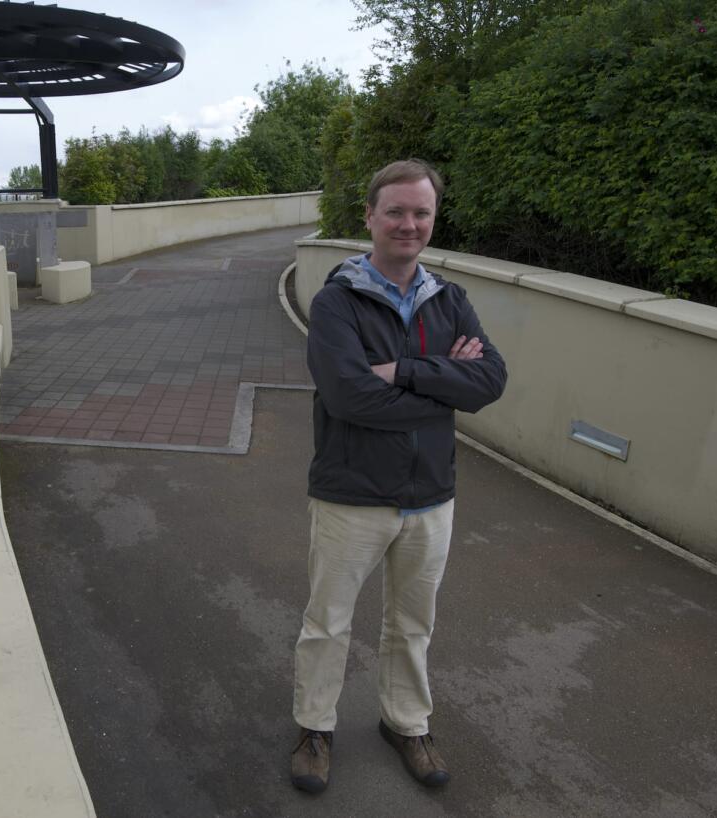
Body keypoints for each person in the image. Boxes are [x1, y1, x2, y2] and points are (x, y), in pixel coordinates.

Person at [290, 159, 507, 794]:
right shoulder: (338, 301)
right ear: (370, 216)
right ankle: (313, 729)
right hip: (351, 494)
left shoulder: (450, 298)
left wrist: (403, 370)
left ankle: (406, 723)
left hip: (430, 496)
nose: (409, 224)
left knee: (414, 623)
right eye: (396, 211)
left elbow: (490, 380)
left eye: (421, 213)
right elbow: (349, 397)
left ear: (433, 219)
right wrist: (444, 380)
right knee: (328, 622)